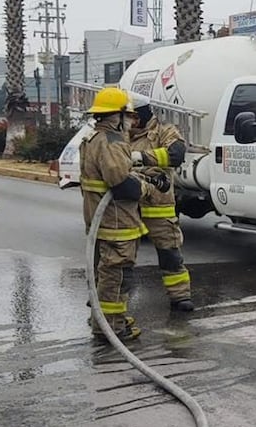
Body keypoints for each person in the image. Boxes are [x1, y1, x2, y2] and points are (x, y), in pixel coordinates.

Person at [79, 87, 171, 342]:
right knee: (116, 275)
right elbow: (121, 185)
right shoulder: (113, 142)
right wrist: (148, 188)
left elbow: (114, 175)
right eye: (128, 116)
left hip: (102, 222)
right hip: (116, 223)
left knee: (107, 273)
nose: (132, 121)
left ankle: (105, 320)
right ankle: (111, 327)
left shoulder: (92, 138)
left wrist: (143, 174)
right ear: (117, 116)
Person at [127, 93, 195, 312]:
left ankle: (180, 296)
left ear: (142, 115)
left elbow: (176, 154)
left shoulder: (165, 131)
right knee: (121, 256)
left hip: (158, 206)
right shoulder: (119, 135)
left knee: (170, 254)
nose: (129, 121)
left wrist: (143, 158)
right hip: (128, 206)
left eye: (132, 116)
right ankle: (109, 298)